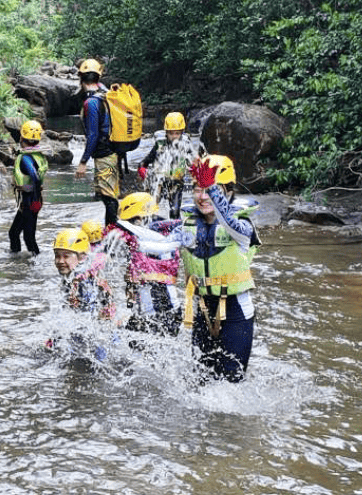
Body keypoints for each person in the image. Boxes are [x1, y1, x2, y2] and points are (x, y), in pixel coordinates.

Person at [169, 155, 260, 382]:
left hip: (236, 312)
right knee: (200, 382)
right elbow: (160, 243)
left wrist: (212, 187)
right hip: (203, 310)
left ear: (227, 191)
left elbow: (228, 221)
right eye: (197, 189)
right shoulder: (189, 226)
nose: (202, 197)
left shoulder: (243, 227)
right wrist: (121, 229)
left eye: (209, 189)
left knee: (231, 382)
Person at [104, 192, 181, 337]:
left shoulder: (159, 236)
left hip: (163, 312)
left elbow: (123, 226)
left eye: (132, 220)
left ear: (140, 219)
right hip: (147, 311)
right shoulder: (144, 239)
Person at [50, 228, 116, 361]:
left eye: (66, 256)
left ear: (81, 257)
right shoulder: (72, 275)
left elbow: (90, 317)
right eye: (57, 255)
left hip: (100, 337)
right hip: (94, 333)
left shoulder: (84, 280)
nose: (60, 261)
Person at [73, 58, 119, 226]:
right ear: (98, 78)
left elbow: (93, 135)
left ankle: (112, 235)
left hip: (104, 155)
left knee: (109, 198)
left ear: (81, 78)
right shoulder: (106, 95)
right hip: (112, 152)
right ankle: (112, 232)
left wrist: (83, 161)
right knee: (108, 196)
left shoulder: (91, 102)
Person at [137, 112, 205, 219]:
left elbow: (195, 160)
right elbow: (146, 161)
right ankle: (148, 224)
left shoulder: (186, 144)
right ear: (166, 132)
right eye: (171, 133)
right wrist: (142, 168)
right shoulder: (160, 143)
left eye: (177, 133)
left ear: (182, 132)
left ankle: (174, 229)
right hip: (158, 180)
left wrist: (197, 170)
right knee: (151, 206)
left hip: (176, 181)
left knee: (175, 211)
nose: (174, 137)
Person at [9, 120, 47, 255]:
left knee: (28, 238)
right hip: (33, 200)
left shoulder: (25, 158)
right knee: (14, 233)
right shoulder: (38, 155)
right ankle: (17, 263)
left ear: (21, 137)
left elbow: (35, 176)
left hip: (30, 201)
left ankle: (33, 266)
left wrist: (35, 199)